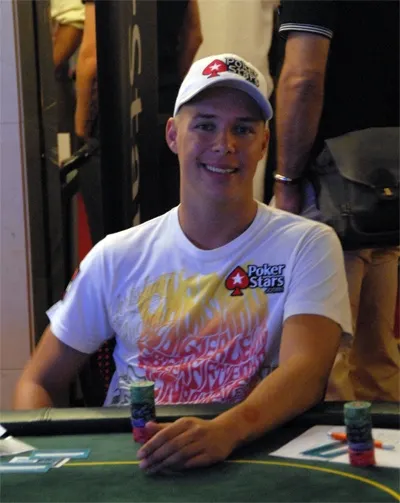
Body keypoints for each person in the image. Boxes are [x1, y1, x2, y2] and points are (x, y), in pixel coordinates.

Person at [14, 53, 351, 473]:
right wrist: (42, 469)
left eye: (243, 129)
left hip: (252, 458)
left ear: (264, 143)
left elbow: (307, 373)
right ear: (173, 135)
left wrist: (225, 432)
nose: (224, 144)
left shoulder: (308, 244)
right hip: (132, 463)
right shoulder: (116, 254)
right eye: (205, 125)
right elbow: (37, 381)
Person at [273, 1, 400, 401]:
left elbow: (303, 79)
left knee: (322, 366)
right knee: (378, 359)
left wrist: (286, 181)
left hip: (329, 191)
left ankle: (336, 445)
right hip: (386, 188)